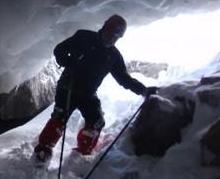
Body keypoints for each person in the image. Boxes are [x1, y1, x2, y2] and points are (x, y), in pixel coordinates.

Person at [33, 14, 157, 164]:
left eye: (117, 36)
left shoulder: (114, 56)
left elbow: (124, 78)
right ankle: (43, 150)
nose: (113, 38)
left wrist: (143, 90)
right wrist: (67, 60)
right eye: (112, 33)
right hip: (69, 86)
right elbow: (60, 50)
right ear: (105, 27)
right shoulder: (84, 37)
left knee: (97, 121)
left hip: (88, 93)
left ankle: (82, 153)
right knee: (60, 117)